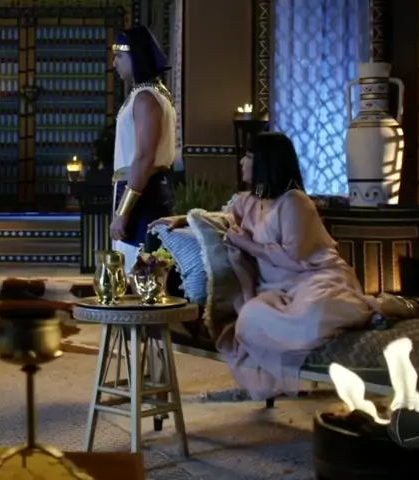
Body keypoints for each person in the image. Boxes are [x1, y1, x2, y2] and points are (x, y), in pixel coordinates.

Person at [151, 133, 380, 400]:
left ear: (266, 162)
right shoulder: (249, 200)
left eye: (248, 156)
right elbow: (223, 218)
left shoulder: (294, 202)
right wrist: (182, 220)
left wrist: (246, 244)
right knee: (249, 318)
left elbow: (293, 258)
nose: (242, 162)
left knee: (314, 312)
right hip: (275, 290)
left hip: (313, 278)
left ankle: (377, 308)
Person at [109, 25, 177, 273]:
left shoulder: (146, 97)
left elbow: (145, 157)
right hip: (138, 188)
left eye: (119, 56)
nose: (114, 63)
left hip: (143, 193)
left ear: (135, 56)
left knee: (138, 271)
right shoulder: (147, 94)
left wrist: (123, 211)